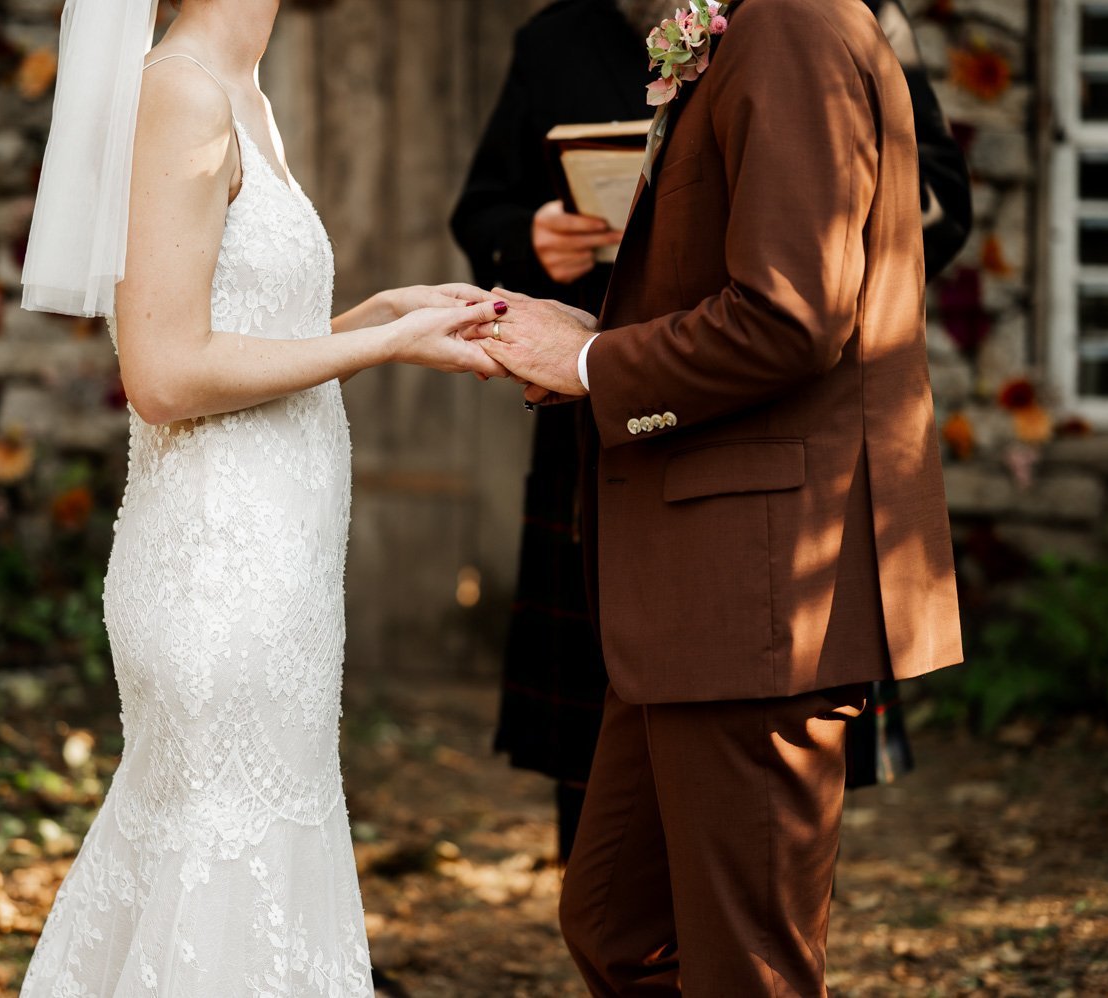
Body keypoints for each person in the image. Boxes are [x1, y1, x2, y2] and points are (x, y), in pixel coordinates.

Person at [469, 0, 964, 991]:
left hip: (761, 577)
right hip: (696, 586)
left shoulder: (793, 26)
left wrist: (592, 362)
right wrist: (586, 324)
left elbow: (792, 314)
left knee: (748, 966)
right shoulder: (745, 22)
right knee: (617, 924)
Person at [13, 0, 506, 993]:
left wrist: (384, 308)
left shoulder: (243, 95)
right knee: (221, 859)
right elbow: (163, 370)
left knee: (262, 851)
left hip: (278, 573)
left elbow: (247, 325)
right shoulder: (183, 93)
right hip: (215, 571)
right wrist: (386, 343)